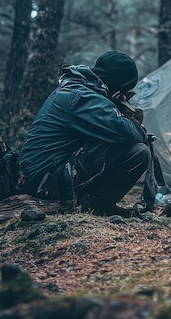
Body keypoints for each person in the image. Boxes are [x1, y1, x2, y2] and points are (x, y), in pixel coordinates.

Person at [19, 50, 151, 217]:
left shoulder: (79, 90)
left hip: (43, 175)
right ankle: (90, 207)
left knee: (116, 141)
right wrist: (130, 119)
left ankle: (97, 204)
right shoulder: (83, 97)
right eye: (125, 92)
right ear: (118, 88)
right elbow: (129, 134)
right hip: (44, 182)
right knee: (139, 152)